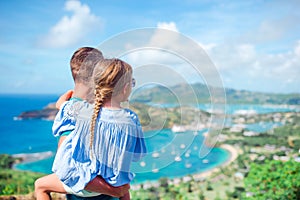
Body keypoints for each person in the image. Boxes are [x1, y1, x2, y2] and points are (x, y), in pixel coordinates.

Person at [34, 58, 147, 200]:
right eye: (132, 83)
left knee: (40, 186)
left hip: (85, 185)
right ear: (125, 88)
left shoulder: (81, 111)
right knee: (124, 190)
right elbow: (138, 155)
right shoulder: (132, 118)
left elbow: (60, 104)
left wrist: (70, 95)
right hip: (113, 182)